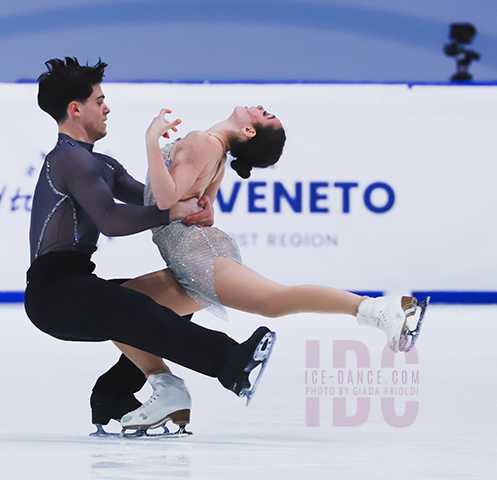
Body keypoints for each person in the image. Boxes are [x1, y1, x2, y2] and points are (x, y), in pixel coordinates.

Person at [117, 107, 429, 428]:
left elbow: (165, 201)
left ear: (249, 132)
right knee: (118, 310)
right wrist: (203, 208)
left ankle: (379, 310)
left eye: (265, 115)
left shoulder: (202, 143)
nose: (261, 109)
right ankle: (168, 390)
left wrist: (151, 141)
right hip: (186, 257)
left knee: (274, 301)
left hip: (199, 257)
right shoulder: (217, 153)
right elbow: (202, 208)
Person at [24, 57, 278, 437]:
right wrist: (173, 212)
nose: (106, 107)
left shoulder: (101, 164)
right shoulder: (69, 160)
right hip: (52, 294)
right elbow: (112, 219)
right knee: (131, 309)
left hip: (76, 282)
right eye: (99, 100)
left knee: (170, 295)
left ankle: (112, 394)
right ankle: (229, 361)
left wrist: (192, 199)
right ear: (75, 109)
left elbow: (153, 200)